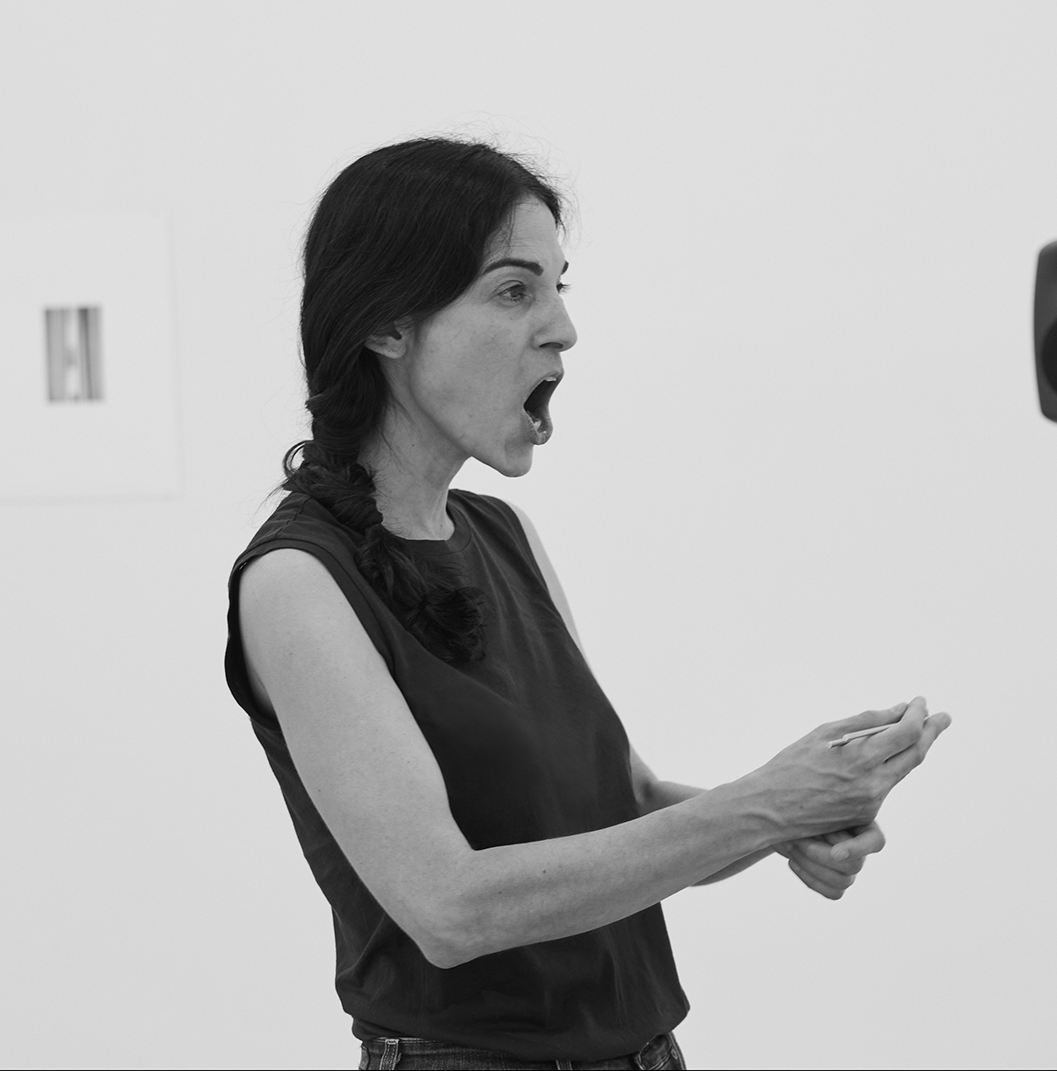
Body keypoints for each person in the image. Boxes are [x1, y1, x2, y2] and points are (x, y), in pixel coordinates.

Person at [223, 137, 952, 1071]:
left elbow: (627, 802)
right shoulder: (295, 582)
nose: (562, 327)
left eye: (561, 288)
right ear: (388, 325)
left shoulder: (505, 537)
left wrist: (794, 811)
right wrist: (760, 810)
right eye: (515, 290)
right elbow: (450, 906)